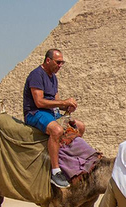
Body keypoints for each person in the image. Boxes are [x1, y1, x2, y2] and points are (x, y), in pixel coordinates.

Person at [23, 48, 85, 188]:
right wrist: (63, 102)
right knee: (56, 130)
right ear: (48, 60)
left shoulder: (53, 77)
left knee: (80, 126)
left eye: (62, 63)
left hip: (51, 113)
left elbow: (55, 102)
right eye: (58, 62)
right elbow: (39, 102)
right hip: (35, 113)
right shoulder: (36, 75)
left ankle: (69, 159)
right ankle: (55, 171)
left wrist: (67, 107)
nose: (60, 65)